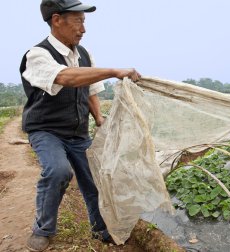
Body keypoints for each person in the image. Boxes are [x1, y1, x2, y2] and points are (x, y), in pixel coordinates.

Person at [20, 0, 141, 251]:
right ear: (56, 20)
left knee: (94, 178)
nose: (83, 29)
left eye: (83, 22)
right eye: (78, 21)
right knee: (57, 171)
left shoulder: (84, 54)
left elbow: (90, 91)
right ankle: (43, 230)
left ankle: (100, 228)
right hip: (46, 130)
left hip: (77, 132)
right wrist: (113, 71)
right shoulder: (37, 55)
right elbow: (65, 77)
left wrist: (98, 118)